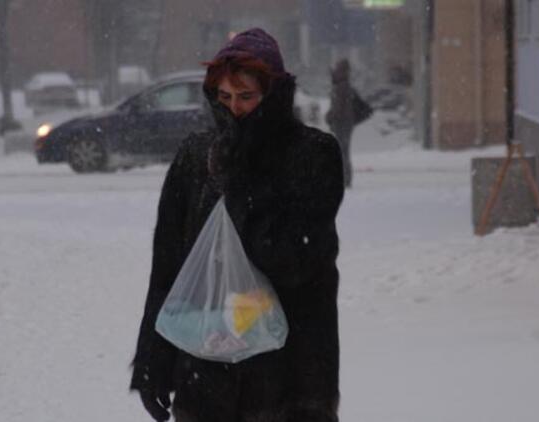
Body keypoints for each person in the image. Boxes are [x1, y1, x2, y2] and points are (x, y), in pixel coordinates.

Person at [130, 28, 345, 422]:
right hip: (205, 366)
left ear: (274, 94)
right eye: (224, 97)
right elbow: (169, 265)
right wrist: (153, 362)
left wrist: (241, 181)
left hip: (291, 375)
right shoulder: (197, 156)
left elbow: (296, 261)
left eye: (246, 96)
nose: (234, 109)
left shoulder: (313, 154)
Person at [325, 59, 373, 188]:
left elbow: (338, 108)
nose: (335, 71)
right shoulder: (344, 86)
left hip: (342, 124)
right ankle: (345, 178)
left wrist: (330, 116)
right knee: (343, 151)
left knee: (342, 152)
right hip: (345, 124)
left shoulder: (341, 88)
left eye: (337, 69)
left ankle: (345, 179)